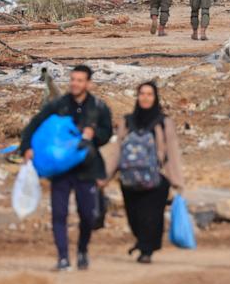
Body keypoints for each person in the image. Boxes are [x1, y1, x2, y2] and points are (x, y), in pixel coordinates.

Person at [20, 65, 114, 271]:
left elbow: (107, 133)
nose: (74, 84)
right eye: (72, 79)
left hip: (87, 167)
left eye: (80, 80)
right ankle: (63, 257)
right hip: (61, 169)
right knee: (59, 213)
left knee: (88, 214)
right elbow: (34, 124)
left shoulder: (99, 107)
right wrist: (26, 147)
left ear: (88, 84)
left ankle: (82, 250)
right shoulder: (59, 105)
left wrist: (94, 134)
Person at [103, 82, 184, 264]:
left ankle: (147, 250)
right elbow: (117, 151)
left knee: (152, 216)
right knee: (134, 217)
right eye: (142, 94)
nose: (145, 98)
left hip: (157, 178)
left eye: (149, 94)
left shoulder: (164, 123)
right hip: (129, 178)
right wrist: (105, 177)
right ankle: (142, 241)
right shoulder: (127, 121)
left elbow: (172, 152)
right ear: (137, 97)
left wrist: (177, 181)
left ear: (155, 98)